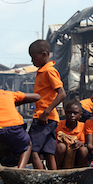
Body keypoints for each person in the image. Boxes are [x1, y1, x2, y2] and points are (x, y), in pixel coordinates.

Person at [28, 39, 66, 170]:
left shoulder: (49, 71)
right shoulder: (42, 71)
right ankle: (53, 176)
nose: (32, 61)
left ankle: (41, 177)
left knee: (32, 150)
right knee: (49, 152)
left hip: (43, 117)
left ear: (44, 54)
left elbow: (62, 93)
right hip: (50, 119)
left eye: (34, 57)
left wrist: (46, 112)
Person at [55, 99, 88, 169]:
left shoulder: (83, 126)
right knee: (61, 147)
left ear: (80, 115)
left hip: (76, 156)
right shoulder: (58, 125)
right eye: (69, 113)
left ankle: (80, 172)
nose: (72, 115)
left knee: (83, 150)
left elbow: (84, 142)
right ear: (65, 113)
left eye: (75, 113)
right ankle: (56, 170)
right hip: (61, 155)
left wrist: (80, 143)